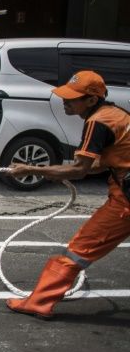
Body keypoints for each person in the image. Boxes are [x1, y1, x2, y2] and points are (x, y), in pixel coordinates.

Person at [7, 70, 130, 318]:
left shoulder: (98, 122)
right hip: (122, 187)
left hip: (126, 201)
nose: (65, 101)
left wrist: (31, 169)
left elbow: (79, 170)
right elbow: (105, 161)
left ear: (92, 100)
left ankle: (39, 302)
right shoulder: (117, 114)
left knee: (79, 249)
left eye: (72, 98)